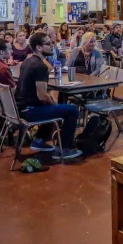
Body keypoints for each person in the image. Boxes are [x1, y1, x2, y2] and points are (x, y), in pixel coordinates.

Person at [14, 32, 82, 160]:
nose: (52, 46)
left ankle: (39, 140)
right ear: (38, 48)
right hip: (30, 111)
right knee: (72, 110)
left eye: (52, 43)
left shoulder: (27, 62)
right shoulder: (40, 66)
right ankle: (65, 149)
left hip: (20, 109)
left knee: (52, 105)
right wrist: (55, 105)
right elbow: (42, 96)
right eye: (48, 44)